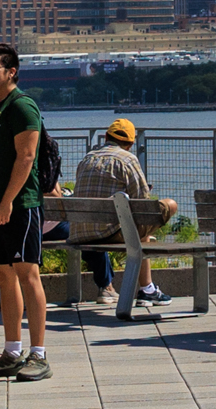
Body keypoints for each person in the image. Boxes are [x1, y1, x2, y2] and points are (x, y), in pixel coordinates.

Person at [0, 42, 51, 379]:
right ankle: (12, 351)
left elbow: (27, 157)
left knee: (27, 274)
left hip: (21, 206)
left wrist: (7, 201)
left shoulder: (23, 106)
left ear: (12, 72)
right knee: (4, 277)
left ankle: (39, 354)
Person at [70, 118, 176, 306]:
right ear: (131, 143)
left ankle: (148, 289)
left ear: (106, 137)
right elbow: (142, 203)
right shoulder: (127, 159)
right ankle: (147, 289)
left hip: (80, 232)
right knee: (169, 205)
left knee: (139, 230)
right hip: (109, 233)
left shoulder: (86, 159)